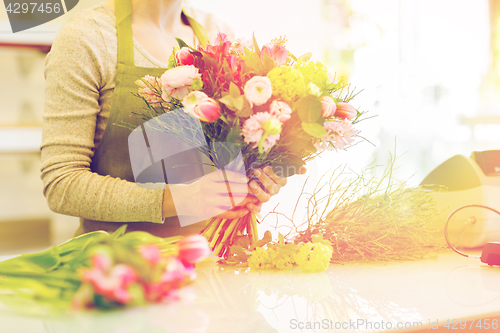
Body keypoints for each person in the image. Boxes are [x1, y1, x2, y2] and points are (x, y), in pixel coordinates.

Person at [41, 0, 300, 238]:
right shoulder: (88, 38)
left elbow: (234, 156)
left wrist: (256, 178)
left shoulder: (219, 34)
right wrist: (182, 199)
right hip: (123, 264)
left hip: (218, 259)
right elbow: (63, 184)